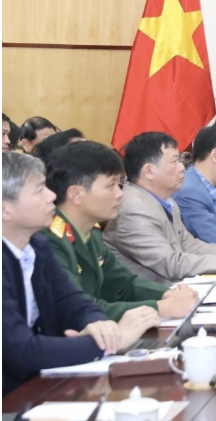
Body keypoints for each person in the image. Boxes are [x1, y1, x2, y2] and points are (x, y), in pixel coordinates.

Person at [2, 152, 159, 394]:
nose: (52, 196)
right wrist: (111, 340)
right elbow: (20, 352)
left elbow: (75, 305)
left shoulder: (36, 246)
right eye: (39, 190)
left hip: (40, 386)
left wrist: (98, 325)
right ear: (5, 209)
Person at [40, 141, 198, 321]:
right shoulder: (49, 240)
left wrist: (168, 294)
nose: (119, 194)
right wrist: (160, 307)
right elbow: (78, 309)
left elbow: (124, 285)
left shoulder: (91, 233)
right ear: (76, 194)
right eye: (110, 186)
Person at [103, 132, 216, 284]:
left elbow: (191, 246)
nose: (182, 167)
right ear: (149, 171)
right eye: (175, 161)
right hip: (147, 302)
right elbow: (172, 264)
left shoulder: (168, 202)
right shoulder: (134, 208)